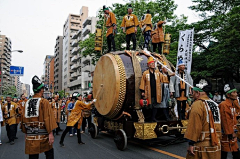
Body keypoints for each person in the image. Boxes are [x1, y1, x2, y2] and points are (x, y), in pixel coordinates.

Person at [21, 75, 57, 159]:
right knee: (49, 153)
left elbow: (24, 118)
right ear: (41, 90)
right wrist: (51, 133)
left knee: (33, 155)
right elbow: (48, 118)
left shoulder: (27, 102)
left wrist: (25, 132)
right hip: (43, 134)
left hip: (30, 134)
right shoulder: (44, 102)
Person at [184, 77, 221, 159]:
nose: (192, 94)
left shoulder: (198, 104)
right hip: (216, 146)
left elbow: (194, 126)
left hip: (202, 148)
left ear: (197, 93)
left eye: (193, 92)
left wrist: (191, 143)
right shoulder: (215, 104)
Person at [219, 83, 240, 159]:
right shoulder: (224, 105)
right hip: (226, 134)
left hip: (233, 132)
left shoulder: (233, 104)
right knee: (223, 153)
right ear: (228, 95)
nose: (236, 94)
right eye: (234, 92)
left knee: (236, 153)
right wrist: (230, 133)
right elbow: (225, 120)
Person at [139, 56, 163, 122]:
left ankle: (153, 118)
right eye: (151, 64)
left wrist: (169, 75)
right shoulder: (145, 73)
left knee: (155, 105)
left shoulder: (157, 72)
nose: (153, 65)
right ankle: (147, 118)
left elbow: (163, 78)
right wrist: (142, 91)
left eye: (153, 64)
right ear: (149, 65)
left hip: (156, 91)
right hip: (148, 91)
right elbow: (142, 82)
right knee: (148, 105)